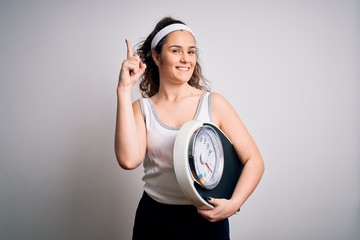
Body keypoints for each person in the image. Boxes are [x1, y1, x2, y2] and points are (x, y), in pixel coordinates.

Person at [115, 16, 264, 240]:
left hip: (206, 219)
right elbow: (128, 160)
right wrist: (124, 90)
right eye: (176, 51)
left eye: (191, 51)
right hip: (154, 219)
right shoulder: (142, 109)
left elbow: (255, 160)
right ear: (157, 57)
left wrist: (234, 204)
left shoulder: (214, 103)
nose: (186, 59)